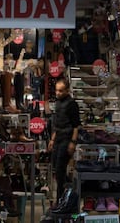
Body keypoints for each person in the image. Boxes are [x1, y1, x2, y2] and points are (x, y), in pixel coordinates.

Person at [48, 78, 80, 206]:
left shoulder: (72, 104)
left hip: (67, 138)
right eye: (56, 90)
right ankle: (68, 191)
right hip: (58, 138)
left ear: (67, 90)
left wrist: (73, 142)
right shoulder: (58, 103)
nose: (58, 93)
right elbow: (56, 124)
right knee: (56, 168)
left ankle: (61, 200)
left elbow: (76, 125)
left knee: (60, 169)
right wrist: (52, 139)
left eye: (61, 91)